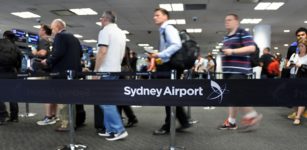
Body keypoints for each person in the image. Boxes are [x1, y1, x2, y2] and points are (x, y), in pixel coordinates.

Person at [150, 8, 191, 135]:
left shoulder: (168, 28)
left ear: (165, 17)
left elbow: (176, 44)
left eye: (157, 15)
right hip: (168, 65)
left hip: (170, 66)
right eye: (154, 15)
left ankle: (168, 126)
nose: (154, 17)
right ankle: (184, 121)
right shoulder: (163, 30)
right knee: (170, 96)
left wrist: (160, 54)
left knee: (167, 97)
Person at [218, 13, 262, 131]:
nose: (227, 22)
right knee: (232, 97)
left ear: (236, 22)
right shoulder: (227, 37)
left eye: (230, 20)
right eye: (226, 20)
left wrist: (232, 51)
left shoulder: (242, 32)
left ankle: (252, 116)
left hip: (238, 70)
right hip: (228, 71)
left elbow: (251, 48)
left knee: (236, 95)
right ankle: (231, 122)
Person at [41, 19, 82, 131]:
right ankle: (72, 122)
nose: (52, 31)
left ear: (58, 27)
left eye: (53, 28)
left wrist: (47, 61)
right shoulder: (74, 38)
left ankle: (66, 124)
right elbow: (81, 53)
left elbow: (57, 53)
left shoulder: (60, 36)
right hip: (74, 73)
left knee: (63, 100)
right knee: (71, 99)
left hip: (62, 73)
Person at [95, 10, 128, 141]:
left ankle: (119, 129)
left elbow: (102, 52)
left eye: (100, 18)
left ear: (105, 19)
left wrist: (96, 71)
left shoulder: (104, 31)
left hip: (106, 70)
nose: (100, 21)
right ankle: (110, 129)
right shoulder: (121, 33)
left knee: (106, 102)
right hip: (115, 70)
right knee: (107, 101)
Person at [34, 24, 59, 126]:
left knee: (46, 94)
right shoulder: (53, 40)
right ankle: (53, 116)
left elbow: (43, 53)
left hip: (45, 70)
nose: (39, 31)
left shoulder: (43, 40)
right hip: (53, 70)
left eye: (40, 29)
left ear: (44, 31)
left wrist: (35, 52)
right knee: (53, 94)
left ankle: (48, 117)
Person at [0, 31, 22, 124]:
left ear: (5, 36)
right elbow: (19, 63)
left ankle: (2, 116)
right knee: (13, 95)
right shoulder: (16, 47)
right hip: (12, 73)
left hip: (1, 72)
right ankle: (14, 116)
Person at [286, 38, 307, 125]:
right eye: (299, 46)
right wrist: (290, 65)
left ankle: (298, 117)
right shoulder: (295, 55)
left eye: (302, 46)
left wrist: (301, 65)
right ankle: (296, 113)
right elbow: (287, 66)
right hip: (295, 77)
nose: (300, 48)